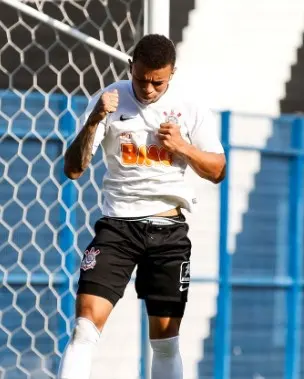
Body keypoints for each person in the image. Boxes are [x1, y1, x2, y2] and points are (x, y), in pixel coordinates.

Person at [57, 34, 226, 379]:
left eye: (157, 82)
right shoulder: (108, 99)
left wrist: (183, 147)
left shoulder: (191, 107)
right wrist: (93, 121)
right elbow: (73, 169)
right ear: (131, 67)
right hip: (117, 228)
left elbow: (218, 170)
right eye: (141, 79)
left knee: (165, 342)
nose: (148, 89)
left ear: (172, 74)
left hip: (168, 232)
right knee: (84, 329)